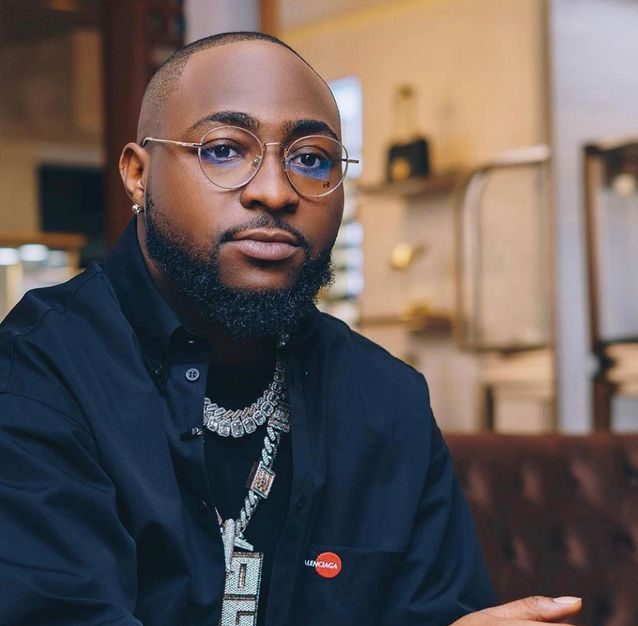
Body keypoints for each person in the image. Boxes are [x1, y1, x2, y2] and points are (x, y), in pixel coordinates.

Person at [0, 32, 581, 626]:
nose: (275, 192)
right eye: (224, 150)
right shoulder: (38, 373)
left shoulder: (386, 398)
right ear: (137, 175)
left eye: (310, 159)